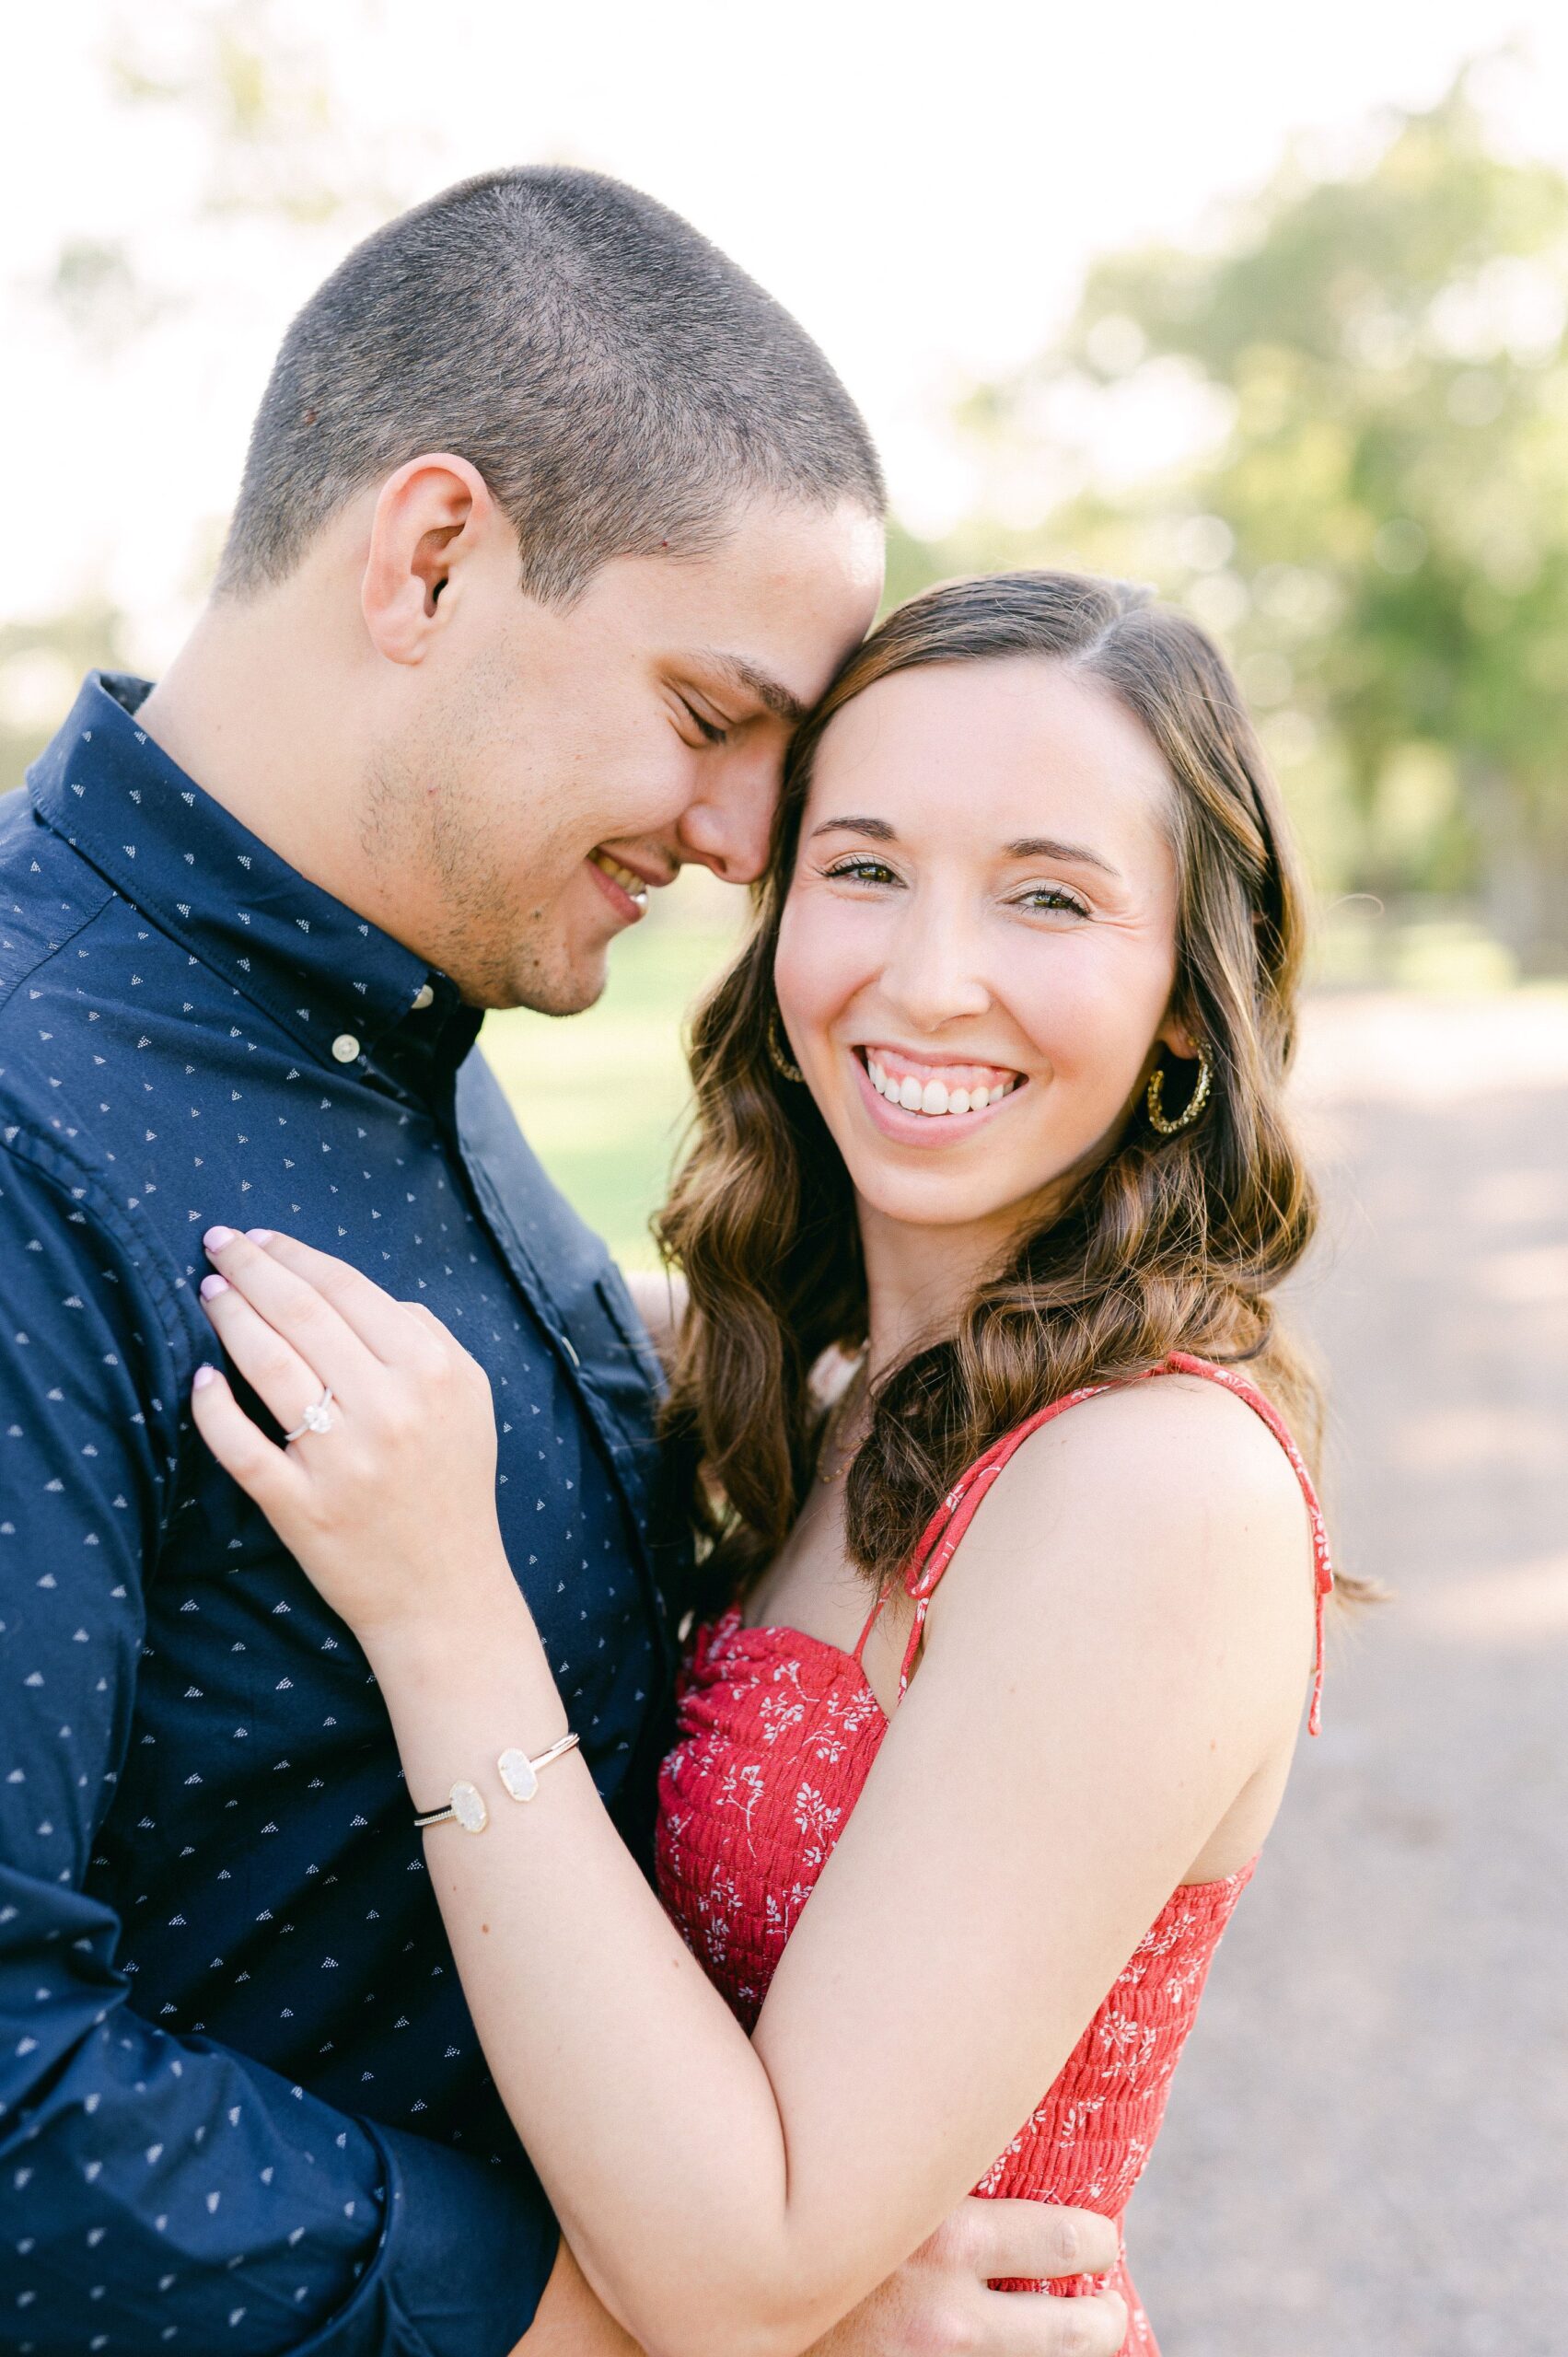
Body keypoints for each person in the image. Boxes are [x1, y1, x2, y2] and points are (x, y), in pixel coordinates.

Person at [0, 176, 1128, 2354]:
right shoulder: (29, 1125)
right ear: (431, 556)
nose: (743, 839)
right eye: (711, 712)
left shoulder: (414, 1028)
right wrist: (647, 2321)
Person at [190, 569, 1342, 2357]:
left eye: (1048, 895)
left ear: (1189, 996)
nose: (929, 978)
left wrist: (442, 1613)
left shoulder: (1151, 1487)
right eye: (863, 869)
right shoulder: (816, 1391)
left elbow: (745, 2267)